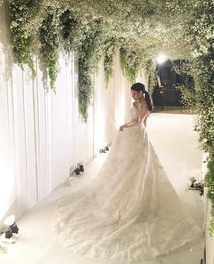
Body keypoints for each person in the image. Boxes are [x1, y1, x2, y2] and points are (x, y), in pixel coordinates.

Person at [54, 82, 200, 263]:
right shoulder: (137, 103)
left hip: (137, 135)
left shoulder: (144, 104)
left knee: (137, 164)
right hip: (133, 134)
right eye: (131, 94)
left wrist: (124, 125)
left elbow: (139, 121)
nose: (132, 96)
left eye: (134, 94)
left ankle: (137, 195)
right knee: (126, 165)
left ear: (140, 93)